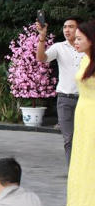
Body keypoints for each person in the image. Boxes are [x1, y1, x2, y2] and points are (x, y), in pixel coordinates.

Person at [36, 17, 84, 164]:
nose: (67, 30)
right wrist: (42, 38)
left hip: (86, 100)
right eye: (64, 27)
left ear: (79, 29)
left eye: (71, 26)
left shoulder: (88, 48)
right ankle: (72, 171)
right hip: (65, 100)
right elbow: (41, 58)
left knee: (86, 138)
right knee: (68, 139)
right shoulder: (59, 47)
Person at [65, 20, 95, 206]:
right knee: (82, 162)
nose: (75, 42)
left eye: (79, 38)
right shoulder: (85, 59)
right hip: (83, 115)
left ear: (91, 40)